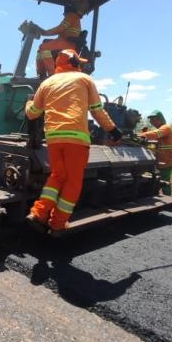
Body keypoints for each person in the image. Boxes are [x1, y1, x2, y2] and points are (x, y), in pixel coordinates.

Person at [25, 49, 123, 235]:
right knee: (72, 182)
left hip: (54, 138)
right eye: (80, 62)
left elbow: (32, 114)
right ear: (75, 63)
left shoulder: (47, 83)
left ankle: (38, 213)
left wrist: (28, 103)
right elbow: (97, 110)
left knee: (57, 176)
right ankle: (57, 224)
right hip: (76, 139)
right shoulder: (84, 80)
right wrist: (114, 131)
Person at [34, 0, 90, 79]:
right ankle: (41, 74)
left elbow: (59, 29)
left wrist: (44, 32)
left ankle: (52, 75)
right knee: (41, 48)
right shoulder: (73, 17)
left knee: (44, 47)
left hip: (68, 44)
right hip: (65, 42)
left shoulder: (71, 16)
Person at [138, 110, 172, 196]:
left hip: (166, 161)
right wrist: (143, 134)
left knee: (164, 181)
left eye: (153, 119)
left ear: (160, 119)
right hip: (160, 161)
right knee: (158, 180)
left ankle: (168, 198)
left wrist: (139, 135)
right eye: (151, 120)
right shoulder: (160, 129)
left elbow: (155, 134)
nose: (151, 122)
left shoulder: (166, 128)